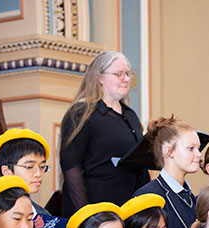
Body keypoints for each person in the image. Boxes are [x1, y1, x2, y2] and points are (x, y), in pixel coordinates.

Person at [59, 51, 146, 215]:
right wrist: (86, 214)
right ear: (100, 78)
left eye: (128, 74)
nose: (126, 79)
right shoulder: (82, 112)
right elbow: (71, 164)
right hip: (97, 208)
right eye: (118, 74)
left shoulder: (130, 115)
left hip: (129, 208)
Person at [0, 128, 68, 228]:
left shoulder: (42, 213)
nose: (38, 174)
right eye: (29, 167)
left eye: (42, 167)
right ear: (6, 170)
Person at [133, 116, 202, 228]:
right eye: (191, 148)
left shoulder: (190, 197)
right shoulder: (147, 196)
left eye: (198, 148)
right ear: (168, 150)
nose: (199, 154)